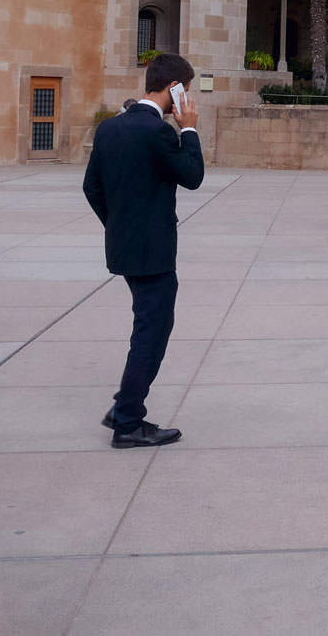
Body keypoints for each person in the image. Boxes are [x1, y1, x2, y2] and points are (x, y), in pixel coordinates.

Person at [83, 52, 204, 449]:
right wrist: (189, 130)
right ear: (175, 89)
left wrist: (119, 226)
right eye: (186, 90)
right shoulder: (158, 132)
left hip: (125, 249)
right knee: (152, 333)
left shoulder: (110, 129)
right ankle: (129, 423)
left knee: (147, 327)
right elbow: (192, 176)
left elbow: (92, 188)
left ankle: (122, 408)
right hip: (152, 253)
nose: (187, 98)